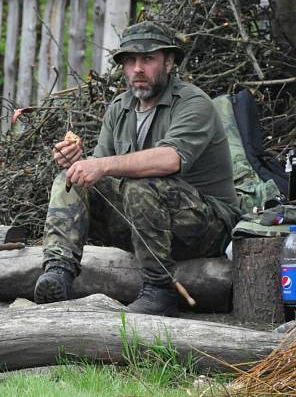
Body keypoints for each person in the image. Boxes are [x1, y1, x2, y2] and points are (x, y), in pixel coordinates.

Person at [33, 21, 241, 316]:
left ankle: (159, 291)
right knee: (70, 180)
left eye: (148, 59)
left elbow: (170, 159)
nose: (138, 69)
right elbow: (99, 174)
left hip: (206, 227)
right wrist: (77, 163)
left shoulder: (194, 103)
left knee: (141, 185)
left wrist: (101, 165)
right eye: (130, 61)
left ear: (169, 63)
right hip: (145, 223)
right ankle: (59, 272)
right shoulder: (120, 108)